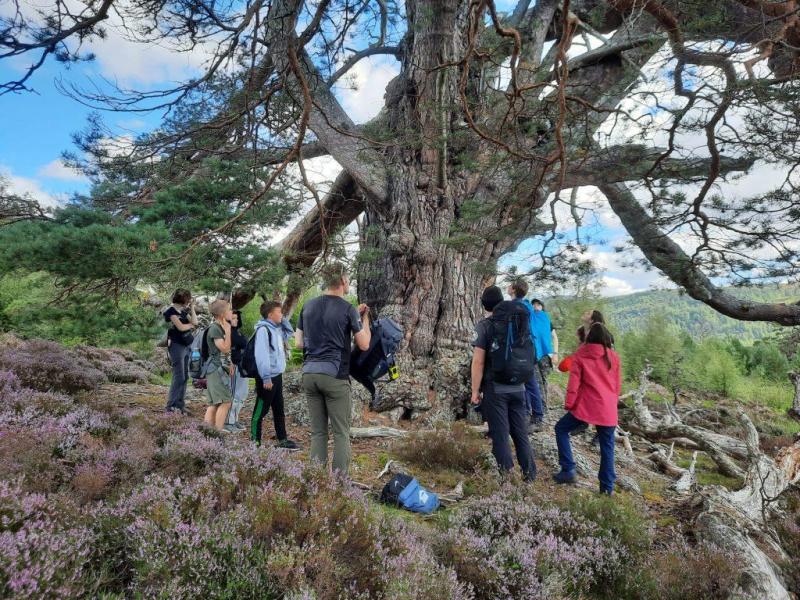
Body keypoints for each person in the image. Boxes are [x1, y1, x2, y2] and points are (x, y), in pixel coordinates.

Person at [295, 263, 371, 475]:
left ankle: (317, 480)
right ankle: (339, 484)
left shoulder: (308, 306)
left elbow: (299, 343)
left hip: (309, 373)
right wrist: (364, 319)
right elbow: (364, 344)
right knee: (341, 433)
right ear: (344, 281)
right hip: (335, 375)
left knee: (318, 432)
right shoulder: (347, 309)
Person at [471, 285, 537, 481]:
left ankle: (507, 479)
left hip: (496, 388)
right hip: (519, 387)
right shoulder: (518, 321)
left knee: (500, 435)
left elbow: (478, 361)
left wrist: (475, 390)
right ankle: (530, 474)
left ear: (484, 305)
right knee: (520, 433)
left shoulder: (485, 326)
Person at [553, 322, 621, 495]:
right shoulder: (613, 357)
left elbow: (573, 384)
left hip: (586, 407)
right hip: (607, 409)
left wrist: (569, 405)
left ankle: (568, 469)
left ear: (589, 338)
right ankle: (607, 489)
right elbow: (617, 386)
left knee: (561, 429)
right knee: (607, 447)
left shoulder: (580, 356)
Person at [252, 301, 298, 449]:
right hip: (267, 378)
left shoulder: (276, 329)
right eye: (279, 312)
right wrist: (266, 377)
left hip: (277, 376)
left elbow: (289, 333)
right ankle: (255, 442)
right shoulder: (263, 330)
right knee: (261, 410)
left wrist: (283, 319)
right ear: (271, 314)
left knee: (279, 409)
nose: (282, 314)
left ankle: (282, 439)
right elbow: (262, 356)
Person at [506, 279, 545, 431]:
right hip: (529, 349)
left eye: (510, 285)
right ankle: (531, 414)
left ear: (514, 289)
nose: (508, 287)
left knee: (529, 382)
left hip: (522, 350)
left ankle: (536, 417)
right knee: (527, 382)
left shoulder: (516, 306)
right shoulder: (527, 305)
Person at [163, 289, 198, 414]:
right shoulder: (170, 311)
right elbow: (181, 327)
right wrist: (190, 326)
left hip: (186, 345)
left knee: (185, 376)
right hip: (176, 346)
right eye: (189, 299)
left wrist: (192, 308)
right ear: (184, 299)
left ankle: (179, 405)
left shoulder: (183, 311)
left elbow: (195, 322)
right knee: (179, 376)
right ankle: (170, 406)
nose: (189, 301)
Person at [203, 299, 234, 431]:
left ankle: (207, 436)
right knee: (225, 402)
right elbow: (225, 349)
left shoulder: (218, 327)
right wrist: (228, 331)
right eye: (229, 310)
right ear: (222, 313)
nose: (231, 312)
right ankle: (217, 434)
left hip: (215, 369)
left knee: (214, 404)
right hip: (215, 370)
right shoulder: (215, 328)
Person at [224, 310, 250, 432]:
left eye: (237, 318)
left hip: (242, 366)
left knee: (242, 394)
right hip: (234, 367)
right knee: (234, 394)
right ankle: (228, 421)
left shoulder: (237, 332)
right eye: (233, 318)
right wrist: (230, 363)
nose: (236, 320)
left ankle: (234, 419)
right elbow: (225, 350)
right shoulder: (227, 332)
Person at [530, 299, 554, 412]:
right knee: (537, 380)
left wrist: (555, 353)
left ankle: (544, 405)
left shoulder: (545, 318)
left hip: (545, 354)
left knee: (543, 380)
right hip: (534, 353)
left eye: (538, 304)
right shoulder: (530, 318)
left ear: (542, 306)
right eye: (533, 304)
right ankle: (541, 406)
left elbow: (554, 336)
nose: (536, 306)